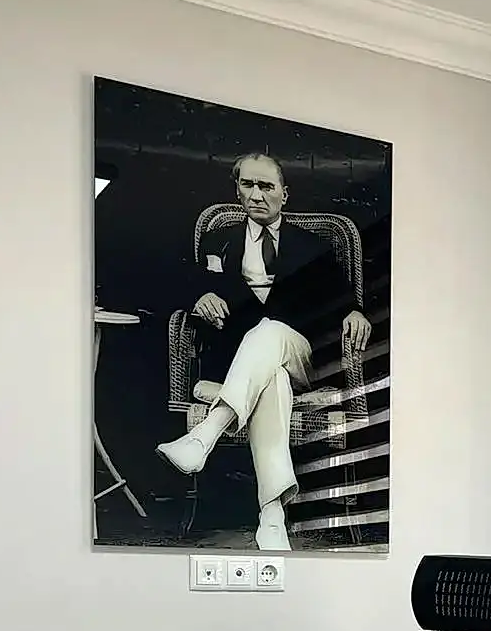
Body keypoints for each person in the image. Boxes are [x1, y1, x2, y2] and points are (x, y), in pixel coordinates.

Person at [156, 152, 371, 550]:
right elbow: (181, 281)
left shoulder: (312, 245)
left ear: (284, 194)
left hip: (299, 355)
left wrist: (356, 311)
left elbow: (343, 296)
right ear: (237, 191)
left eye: (266, 186)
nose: (257, 194)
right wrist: (199, 294)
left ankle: (208, 432)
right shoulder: (220, 241)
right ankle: (272, 516)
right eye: (248, 184)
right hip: (247, 367)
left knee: (270, 330)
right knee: (272, 383)